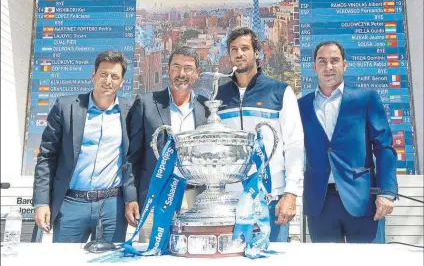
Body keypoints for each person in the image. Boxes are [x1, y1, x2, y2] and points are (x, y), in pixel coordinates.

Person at [298, 41, 398, 243]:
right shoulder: (301, 106)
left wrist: (387, 192)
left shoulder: (365, 99)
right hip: (320, 203)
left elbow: (384, 147)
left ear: (344, 65)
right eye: (322, 61)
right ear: (314, 67)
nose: (329, 67)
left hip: (363, 201)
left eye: (334, 60)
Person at [33, 51, 133, 243]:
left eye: (115, 76)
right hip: (71, 204)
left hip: (112, 205)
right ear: (93, 75)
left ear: (122, 82)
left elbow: (134, 159)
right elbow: (47, 157)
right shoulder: (66, 107)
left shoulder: (131, 111)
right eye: (103, 74)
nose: (108, 81)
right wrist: (41, 202)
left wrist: (132, 199)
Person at [215, 27, 305, 242]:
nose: (239, 53)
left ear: (257, 52)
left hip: (271, 197)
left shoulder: (280, 91)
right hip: (231, 198)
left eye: (245, 48)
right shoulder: (218, 96)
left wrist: (291, 193)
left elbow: (294, 145)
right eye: (234, 49)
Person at [124, 46, 208, 230]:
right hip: (155, 198)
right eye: (176, 67)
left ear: (196, 73)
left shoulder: (206, 108)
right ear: (168, 70)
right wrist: (130, 197)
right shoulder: (146, 103)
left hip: (196, 200)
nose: (181, 73)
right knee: (152, 256)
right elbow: (131, 157)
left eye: (188, 68)